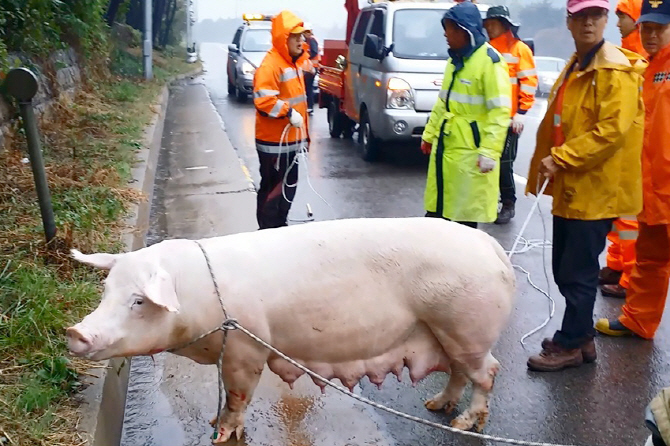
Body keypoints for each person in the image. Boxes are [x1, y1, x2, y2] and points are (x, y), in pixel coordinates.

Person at [525, 0, 646, 372]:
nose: (588, 23)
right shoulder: (577, 65)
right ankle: (582, 338)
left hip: (596, 188)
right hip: (573, 187)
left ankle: (572, 342)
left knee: (576, 272)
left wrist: (561, 158)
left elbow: (611, 130)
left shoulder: (614, 70)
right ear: (569, 22)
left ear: (606, 20)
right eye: (581, 17)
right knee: (566, 268)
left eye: (595, 16)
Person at [596, 0, 670, 339]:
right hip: (651, 189)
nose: (651, 34)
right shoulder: (647, 69)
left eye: (659, 28)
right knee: (648, 260)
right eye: (647, 27)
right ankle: (638, 320)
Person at [420, 1, 511, 229]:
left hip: (470, 150)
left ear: (464, 30)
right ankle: (438, 261)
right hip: (448, 145)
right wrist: (429, 134)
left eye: (449, 28)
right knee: (441, 207)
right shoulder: (455, 60)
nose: (445, 34)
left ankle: (461, 263)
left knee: (463, 217)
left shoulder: (490, 61)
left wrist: (489, 151)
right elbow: (444, 103)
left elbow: (499, 111)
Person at [599, 0, 648, 299]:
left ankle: (628, 276)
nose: (618, 23)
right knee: (619, 213)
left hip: (638, 148)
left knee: (630, 217)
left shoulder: (642, 54)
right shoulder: (624, 52)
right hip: (625, 146)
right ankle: (616, 265)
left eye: (623, 17)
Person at [253, 11, 310, 230]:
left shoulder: (293, 64)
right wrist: (288, 112)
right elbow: (264, 100)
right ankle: (267, 233)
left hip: (291, 142)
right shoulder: (271, 65)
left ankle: (279, 226)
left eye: (302, 37)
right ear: (283, 38)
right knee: (273, 190)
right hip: (273, 143)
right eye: (296, 36)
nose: (301, 41)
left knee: (288, 187)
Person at [483, 6, 538, 225]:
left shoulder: (519, 50)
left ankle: (508, 203)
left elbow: (529, 82)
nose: (488, 27)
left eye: (492, 23)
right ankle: (489, 202)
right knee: (486, 164)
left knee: (504, 164)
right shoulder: (485, 49)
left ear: (503, 24)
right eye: (486, 24)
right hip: (489, 119)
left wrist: (522, 113)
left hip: (509, 120)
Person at [302, 23, 320, 114]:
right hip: (309, 68)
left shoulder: (311, 41)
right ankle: (308, 106)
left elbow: (314, 52)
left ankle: (310, 106)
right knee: (307, 87)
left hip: (311, 68)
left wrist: (305, 57)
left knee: (308, 87)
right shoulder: (307, 41)